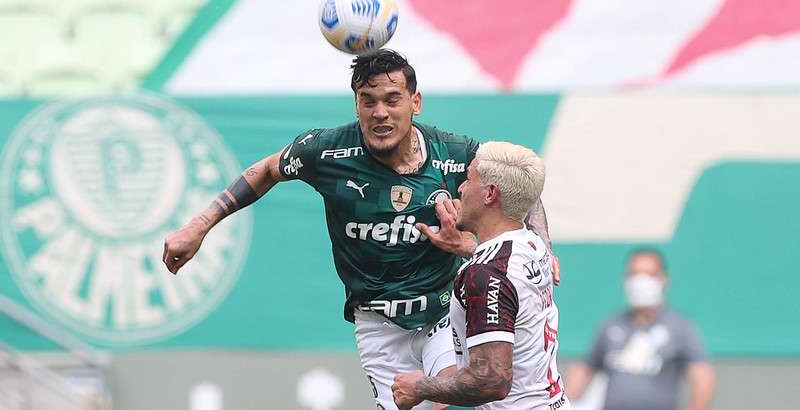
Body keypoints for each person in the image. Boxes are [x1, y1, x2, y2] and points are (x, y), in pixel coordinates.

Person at [161, 49, 557, 410]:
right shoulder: (326, 151)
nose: (379, 112)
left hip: (440, 313)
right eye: (367, 102)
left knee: (468, 392)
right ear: (356, 105)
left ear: (415, 103)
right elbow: (265, 170)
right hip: (379, 325)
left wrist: (540, 244)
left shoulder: (454, 153)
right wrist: (198, 226)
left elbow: (515, 181)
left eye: (391, 100)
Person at [392, 141, 569, 410]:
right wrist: (469, 250)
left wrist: (420, 387)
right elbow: (506, 277)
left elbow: (492, 381)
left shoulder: (483, 275)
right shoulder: (533, 245)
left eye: (468, 179)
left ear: (489, 194)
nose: (460, 188)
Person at [565, 249, 715, 410]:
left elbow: (703, 378)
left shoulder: (680, 327)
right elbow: (583, 370)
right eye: (634, 274)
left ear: (664, 280)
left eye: (650, 274)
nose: (641, 282)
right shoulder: (611, 325)